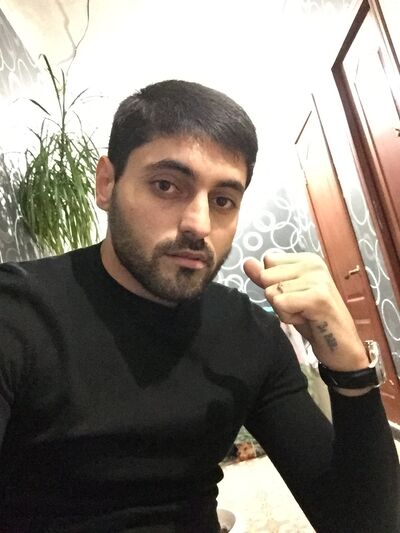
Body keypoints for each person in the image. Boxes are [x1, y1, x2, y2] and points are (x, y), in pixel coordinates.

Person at [0, 79, 398, 533]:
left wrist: (350, 367)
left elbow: (364, 523)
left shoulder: (248, 334)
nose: (199, 224)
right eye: (166, 185)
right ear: (107, 183)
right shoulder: (18, 313)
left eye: (223, 200)